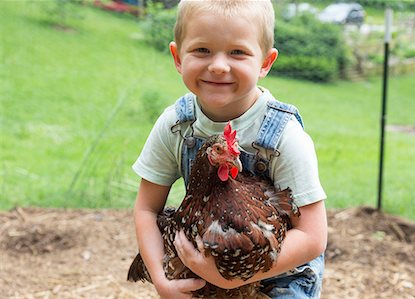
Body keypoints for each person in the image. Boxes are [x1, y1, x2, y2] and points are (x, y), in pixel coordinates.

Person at [131, 0, 328, 298]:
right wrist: (162, 279)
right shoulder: (176, 125)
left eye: (237, 52)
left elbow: (312, 237)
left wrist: (230, 279)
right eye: (202, 50)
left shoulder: (284, 136)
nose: (218, 66)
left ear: (265, 62)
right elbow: (146, 208)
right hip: (203, 265)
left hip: (278, 275)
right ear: (178, 57)